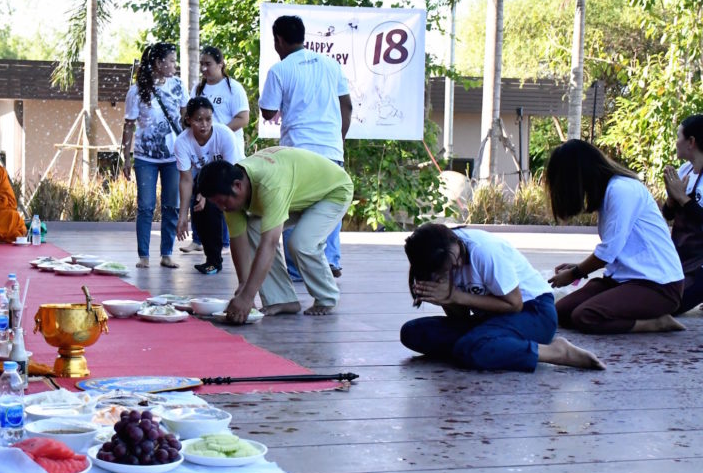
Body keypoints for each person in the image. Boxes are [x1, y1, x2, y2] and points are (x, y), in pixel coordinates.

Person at [400, 224, 605, 371]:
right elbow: (460, 318)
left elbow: (514, 304)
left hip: (534, 312)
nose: (458, 264)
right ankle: (493, 347)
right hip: (490, 319)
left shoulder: (484, 251)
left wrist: (456, 295)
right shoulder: (433, 262)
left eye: (457, 258)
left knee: (470, 347)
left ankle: (556, 352)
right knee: (413, 333)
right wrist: (447, 299)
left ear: (453, 239)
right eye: (449, 267)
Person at [545, 140, 685, 334]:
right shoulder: (608, 192)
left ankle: (657, 323)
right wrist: (577, 267)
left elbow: (608, 251)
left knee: (585, 316)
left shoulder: (621, 190)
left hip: (658, 285)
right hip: (622, 280)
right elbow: (616, 249)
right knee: (560, 313)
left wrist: (575, 273)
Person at [197, 147, 352, 321]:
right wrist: (243, 285)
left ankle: (327, 298)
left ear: (238, 186)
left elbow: (269, 243)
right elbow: (238, 239)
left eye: (222, 202)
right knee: (254, 228)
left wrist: (247, 297)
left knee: (300, 243)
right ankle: (282, 299)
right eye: (216, 204)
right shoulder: (231, 188)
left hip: (333, 191)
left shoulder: (269, 184)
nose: (222, 208)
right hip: (299, 193)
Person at [258, 15, 352, 280]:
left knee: (294, 207)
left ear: (278, 40)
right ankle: (330, 261)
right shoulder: (331, 65)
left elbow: (268, 112)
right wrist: (338, 139)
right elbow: (346, 106)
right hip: (331, 150)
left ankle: (297, 269)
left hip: (298, 151)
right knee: (329, 205)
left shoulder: (280, 70)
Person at [122, 42, 189, 269]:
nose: (174, 65)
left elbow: (185, 119)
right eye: (171, 61)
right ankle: (143, 255)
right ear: (159, 63)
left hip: (173, 157)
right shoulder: (137, 90)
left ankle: (166, 253)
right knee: (146, 206)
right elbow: (129, 125)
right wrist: (126, 157)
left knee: (171, 205)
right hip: (145, 158)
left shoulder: (178, 85)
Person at [180, 46, 250, 254]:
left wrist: (216, 134)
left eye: (208, 64)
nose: (204, 68)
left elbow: (243, 118)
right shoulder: (198, 88)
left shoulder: (233, 88)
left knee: (222, 193)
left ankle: (226, 242)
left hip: (226, 151)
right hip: (201, 152)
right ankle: (198, 239)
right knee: (197, 192)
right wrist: (203, 134)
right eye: (201, 64)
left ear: (221, 64)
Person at [175, 97, 243, 274]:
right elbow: (186, 180)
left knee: (214, 208)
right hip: (204, 177)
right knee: (198, 209)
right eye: (198, 120)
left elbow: (230, 171)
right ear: (189, 120)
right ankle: (212, 260)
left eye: (208, 119)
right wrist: (183, 216)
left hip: (231, 176)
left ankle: (232, 258)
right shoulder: (182, 142)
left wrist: (207, 194)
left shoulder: (224, 134)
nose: (204, 124)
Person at [662, 114, 703, 314]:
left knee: (669, 305)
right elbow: (669, 214)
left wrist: (682, 198)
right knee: (654, 295)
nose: (676, 142)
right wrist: (672, 199)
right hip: (680, 259)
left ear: (691, 142)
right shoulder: (685, 170)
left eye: (678, 136)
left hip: (700, 264)